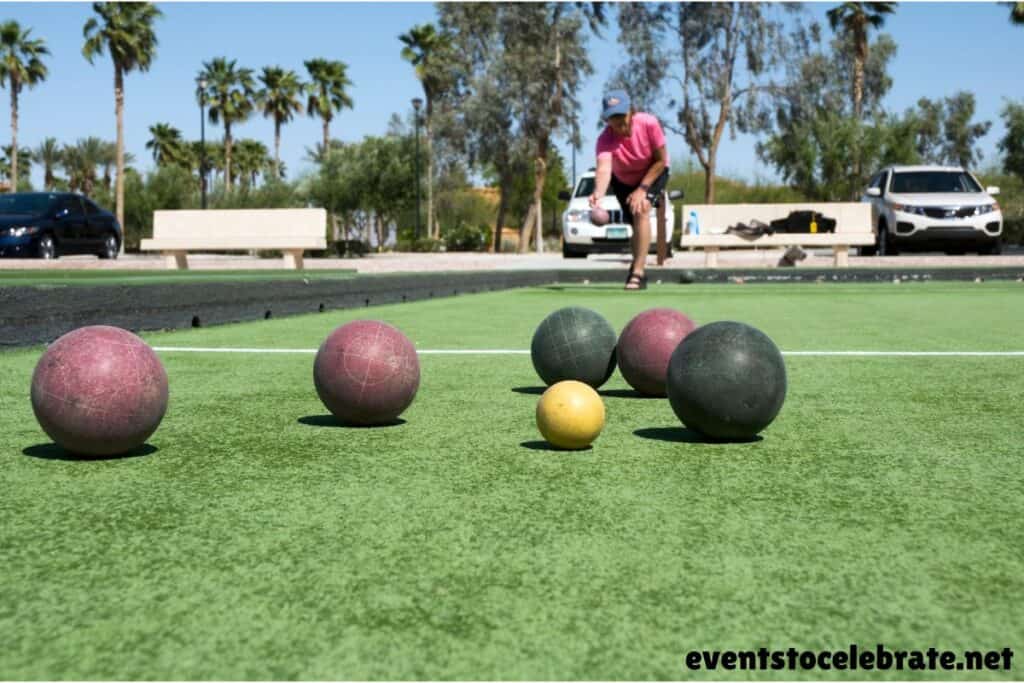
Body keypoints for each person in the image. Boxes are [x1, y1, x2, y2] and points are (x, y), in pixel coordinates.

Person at [589, 89, 670, 290]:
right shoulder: (604, 140)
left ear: (631, 112)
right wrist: (598, 192)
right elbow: (604, 168)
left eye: (621, 116)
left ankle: (638, 273)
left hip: (654, 172)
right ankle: (637, 264)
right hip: (623, 181)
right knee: (636, 222)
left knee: (641, 208)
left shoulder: (649, 123)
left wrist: (643, 188)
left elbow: (661, 161)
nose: (618, 123)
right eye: (612, 118)